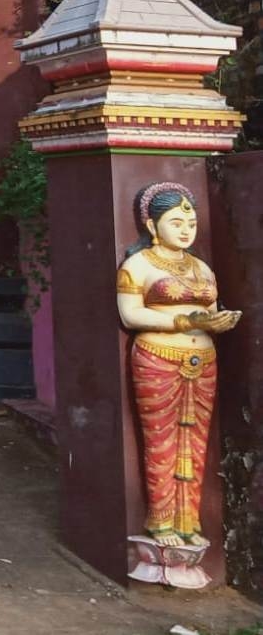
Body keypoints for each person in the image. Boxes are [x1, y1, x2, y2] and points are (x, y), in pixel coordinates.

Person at [116, 182, 241, 547]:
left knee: (196, 440)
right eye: (176, 223)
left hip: (203, 359)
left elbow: (210, 311)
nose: (186, 230)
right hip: (158, 357)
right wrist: (186, 322)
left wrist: (218, 322)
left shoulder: (201, 268)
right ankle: (161, 521)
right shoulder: (137, 265)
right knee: (161, 440)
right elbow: (130, 313)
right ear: (153, 227)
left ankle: (188, 519)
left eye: (191, 223)